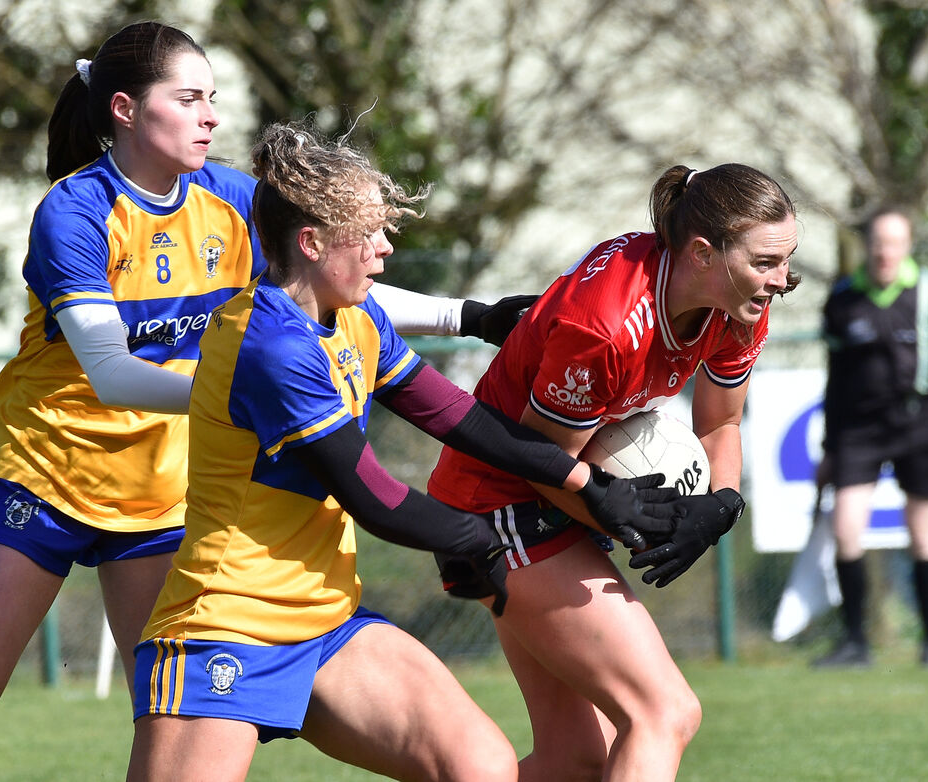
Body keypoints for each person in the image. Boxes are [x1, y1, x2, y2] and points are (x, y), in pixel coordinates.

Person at [0, 21, 531, 782]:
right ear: (128, 110)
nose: (212, 116)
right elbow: (110, 373)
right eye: (190, 97)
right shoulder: (75, 211)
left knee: (170, 718)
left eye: (214, 98)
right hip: (46, 475)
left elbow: (330, 264)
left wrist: (467, 316)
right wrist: (240, 396)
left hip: (162, 492)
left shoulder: (231, 197)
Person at [125, 121, 679, 781]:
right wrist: (477, 538)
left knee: (478, 766)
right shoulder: (271, 346)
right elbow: (373, 495)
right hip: (226, 623)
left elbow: (459, 417)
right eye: (371, 235)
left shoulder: (356, 318)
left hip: (327, 618)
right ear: (312, 242)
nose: (386, 250)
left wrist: (587, 484)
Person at [428, 163, 801, 782]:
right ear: (703, 253)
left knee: (574, 762)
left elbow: (720, 425)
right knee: (664, 712)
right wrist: (639, 519)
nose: (781, 280)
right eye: (766, 261)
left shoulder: (739, 304)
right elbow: (545, 465)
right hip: (498, 502)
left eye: (786, 259)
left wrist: (722, 503)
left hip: (551, 494)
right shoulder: (605, 325)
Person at [813, 207, 928, 669]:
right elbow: (834, 378)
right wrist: (829, 448)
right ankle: (855, 644)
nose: (886, 252)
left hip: (917, 422)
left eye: (895, 243)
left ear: (908, 246)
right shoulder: (844, 297)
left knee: (922, 531)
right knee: (847, 528)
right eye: (878, 243)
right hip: (857, 429)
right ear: (868, 246)